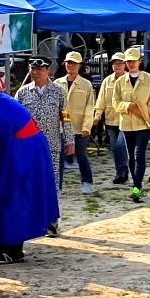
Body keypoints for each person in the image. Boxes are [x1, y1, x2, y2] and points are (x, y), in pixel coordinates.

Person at [0, 69, 59, 263]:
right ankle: (0, 244)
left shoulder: (1, 108)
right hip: (20, 149)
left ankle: (12, 250)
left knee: (13, 198)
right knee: (5, 197)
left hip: (24, 153)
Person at [105, 48, 150, 203]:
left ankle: (137, 187)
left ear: (139, 61)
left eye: (133, 61)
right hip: (127, 124)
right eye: (128, 61)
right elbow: (115, 103)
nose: (131, 64)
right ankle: (136, 185)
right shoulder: (120, 82)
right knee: (131, 157)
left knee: (139, 155)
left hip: (143, 124)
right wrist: (127, 105)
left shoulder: (149, 80)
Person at [15, 58, 74, 195]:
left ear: (48, 70)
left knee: (51, 180)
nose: (36, 72)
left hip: (51, 143)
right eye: (33, 69)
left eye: (40, 69)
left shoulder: (58, 92)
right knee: (31, 179)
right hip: (29, 144)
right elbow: (15, 118)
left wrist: (69, 140)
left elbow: (65, 117)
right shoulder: (22, 93)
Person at [58, 52, 97, 194]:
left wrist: (87, 126)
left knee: (81, 155)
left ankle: (87, 181)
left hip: (79, 125)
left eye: (74, 63)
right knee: (59, 157)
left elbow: (90, 106)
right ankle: (57, 184)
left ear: (80, 65)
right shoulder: (57, 83)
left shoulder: (86, 84)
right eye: (68, 63)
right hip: (61, 126)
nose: (71, 66)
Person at [94, 53, 133, 185]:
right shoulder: (107, 81)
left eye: (120, 63)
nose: (117, 66)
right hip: (111, 120)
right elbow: (101, 100)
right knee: (115, 148)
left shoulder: (129, 80)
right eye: (114, 63)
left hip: (126, 119)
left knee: (121, 145)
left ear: (125, 65)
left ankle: (124, 171)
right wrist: (97, 115)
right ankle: (119, 172)